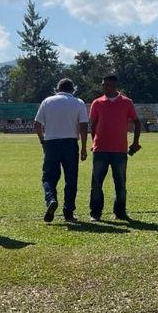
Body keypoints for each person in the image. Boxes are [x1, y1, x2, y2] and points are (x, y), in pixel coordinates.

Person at [88, 74, 142, 221]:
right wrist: (94, 142)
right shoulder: (97, 103)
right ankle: (95, 213)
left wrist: (135, 142)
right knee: (96, 183)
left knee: (120, 184)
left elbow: (137, 122)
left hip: (119, 150)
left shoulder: (126, 102)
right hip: (100, 149)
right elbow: (93, 125)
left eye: (107, 85)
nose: (105, 87)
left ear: (114, 86)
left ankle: (120, 212)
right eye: (103, 85)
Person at [34, 78, 88, 223]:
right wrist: (83, 147)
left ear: (57, 89)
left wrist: (42, 141)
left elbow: (37, 124)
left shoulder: (47, 101)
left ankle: (51, 199)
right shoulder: (78, 102)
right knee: (71, 178)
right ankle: (68, 212)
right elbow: (83, 126)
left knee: (48, 177)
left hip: (51, 143)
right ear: (73, 89)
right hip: (70, 143)